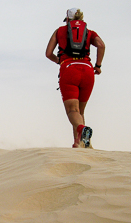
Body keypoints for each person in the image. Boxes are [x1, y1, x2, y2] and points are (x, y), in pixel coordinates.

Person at [45, 8, 105, 148]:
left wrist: (59, 61)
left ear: (67, 19)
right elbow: (101, 45)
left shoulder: (60, 31)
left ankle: (81, 130)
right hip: (88, 71)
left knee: (73, 110)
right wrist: (98, 65)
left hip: (69, 69)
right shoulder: (90, 32)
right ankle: (79, 143)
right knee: (80, 111)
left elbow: (48, 53)